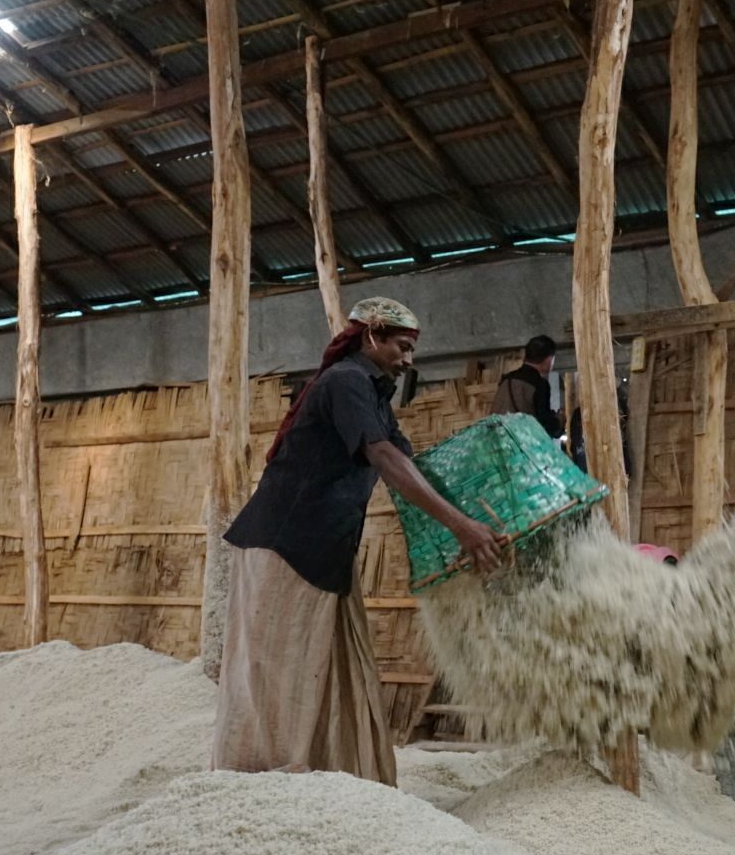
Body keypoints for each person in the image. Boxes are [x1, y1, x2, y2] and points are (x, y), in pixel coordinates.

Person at [213, 297, 502, 783]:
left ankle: (330, 776)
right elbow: (386, 459)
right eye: (403, 347)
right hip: (286, 546)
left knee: (325, 668)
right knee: (279, 672)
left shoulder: (372, 392)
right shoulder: (346, 382)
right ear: (372, 336)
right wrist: (461, 527)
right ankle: (260, 781)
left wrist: (480, 510)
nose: (408, 359)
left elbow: (413, 466)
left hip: (323, 548)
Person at [491, 334, 563, 438]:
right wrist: (559, 421)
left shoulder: (506, 379)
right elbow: (547, 427)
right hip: (521, 445)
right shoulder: (539, 384)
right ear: (548, 360)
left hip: (497, 442)